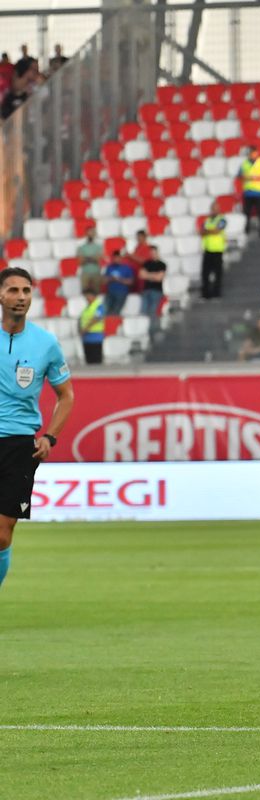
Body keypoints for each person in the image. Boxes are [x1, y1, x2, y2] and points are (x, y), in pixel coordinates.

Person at [0, 267, 75, 591]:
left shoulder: (46, 343)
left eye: (26, 291)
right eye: (13, 290)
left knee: (3, 533)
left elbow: (66, 395)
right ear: (0, 296)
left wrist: (49, 436)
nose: (20, 297)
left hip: (19, 445)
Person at [239, 145, 260, 238]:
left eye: (252, 153)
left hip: (259, 192)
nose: (251, 155)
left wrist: (256, 178)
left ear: (256, 153)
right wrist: (249, 177)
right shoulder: (245, 163)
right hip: (248, 192)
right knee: (247, 214)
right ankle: (246, 230)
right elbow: (240, 175)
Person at [201, 202, 227, 299]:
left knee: (217, 273)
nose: (214, 210)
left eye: (216, 208)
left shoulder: (222, 219)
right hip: (207, 250)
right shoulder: (207, 220)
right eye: (213, 208)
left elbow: (217, 231)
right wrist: (211, 231)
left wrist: (208, 231)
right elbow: (201, 232)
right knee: (205, 273)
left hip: (217, 250)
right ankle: (206, 294)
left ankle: (217, 293)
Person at [139, 245, 166, 331]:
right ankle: (144, 330)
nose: (153, 254)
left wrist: (148, 275)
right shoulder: (146, 263)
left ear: (157, 253)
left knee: (153, 311)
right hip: (146, 290)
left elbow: (159, 278)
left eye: (154, 252)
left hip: (157, 291)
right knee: (143, 311)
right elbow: (141, 275)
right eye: (151, 253)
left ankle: (153, 330)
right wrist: (154, 275)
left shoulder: (162, 264)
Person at [103, 250, 134, 316]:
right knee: (106, 312)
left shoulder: (126, 268)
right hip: (110, 293)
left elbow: (130, 282)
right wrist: (111, 278)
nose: (116, 259)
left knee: (115, 312)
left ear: (121, 258)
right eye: (115, 258)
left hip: (121, 293)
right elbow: (104, 280)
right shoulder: (109, 267)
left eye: (118, 258)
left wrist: (119, 279)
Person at [78, 288, 105, 364]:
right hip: (86, 337)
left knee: (96, 360)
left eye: (88, 296)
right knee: (89, 360)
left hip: (95, 336)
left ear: (94, 296)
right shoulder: (87, 307)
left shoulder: (98, 306)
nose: (87, 298)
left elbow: (96, 318)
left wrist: (85, 329)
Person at [76, 226, 104, 294]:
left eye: (92, 232)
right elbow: (81, 261)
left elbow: (98, 260)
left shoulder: (99, 246)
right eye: (89, 232)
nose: (91, 234)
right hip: (85, 273)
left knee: (96, 293)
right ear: (86, 234)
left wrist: (87, 258)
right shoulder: (81, 247)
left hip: (96, 272)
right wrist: (93, 258)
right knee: (85, 293)